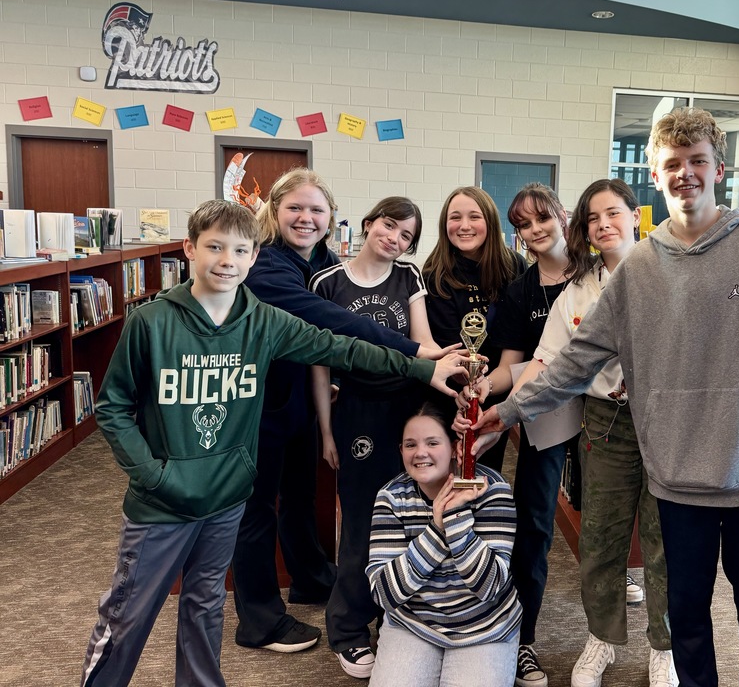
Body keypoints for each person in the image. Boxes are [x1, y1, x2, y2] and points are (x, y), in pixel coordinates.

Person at [473, 108, 739, 687]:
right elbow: (576, 361)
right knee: (686, 620)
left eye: (697, 162)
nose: (685, 174)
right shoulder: (638, 267)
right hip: (676, 482)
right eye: (672, 166)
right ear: (655, 180)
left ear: (718, 169)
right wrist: (508, 412)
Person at [80, 200, 468, 687]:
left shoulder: (264, 322)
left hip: (227, 497)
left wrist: (423, 367)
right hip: (162, 502)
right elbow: (112, 407)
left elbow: (341, 346)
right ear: (189, 249)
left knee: (204, 611)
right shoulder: (151, 322)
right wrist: (152, 475)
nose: (227, 260)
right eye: (214, 247)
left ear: (254, 257)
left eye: (240, 250)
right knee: (128, 616)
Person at [232, 168, 452, 656]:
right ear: (273, 210)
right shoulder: (267, 264)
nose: (306, 218)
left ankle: (310, 578)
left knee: (300, 497)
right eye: (295, 208)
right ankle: (259, 618)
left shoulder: (322, 261)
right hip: (259, 405)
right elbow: (332, 322)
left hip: (301, 404)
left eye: (317, 210)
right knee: (257, 508)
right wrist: (412, 351)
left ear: (332, 218)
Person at [468, 179, 675, 687]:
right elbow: (546, 361)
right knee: (599, 538)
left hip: (666, 422)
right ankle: (601, 639)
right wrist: (506, 409)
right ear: (581, 227)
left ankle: (664, 646)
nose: (603, 225)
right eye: (594, 219)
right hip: (604, 423)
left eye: (613, 214)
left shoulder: (666, 273)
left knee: (664, 538)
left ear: (635, 216)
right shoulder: (577, 289)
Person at [309, 196, 440, 678]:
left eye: (406, 235)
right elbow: (318, 360)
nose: (395, 239)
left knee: (409, 516)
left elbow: (421, 342)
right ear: (367, 224)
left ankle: (397, 620)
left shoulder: (409, 276)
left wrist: (448, 362)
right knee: (361, 523)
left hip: (405, 410)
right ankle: (347, 628)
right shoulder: (328, 281)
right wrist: (326, 428)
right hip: (356, 410)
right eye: (389, 226)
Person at [454, 183, 572, 687]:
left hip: (610, 415)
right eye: (523, 224)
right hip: (548, 412)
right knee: (534, 524)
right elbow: (512, 365)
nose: (534, 230)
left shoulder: (598, 272)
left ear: (563, 215)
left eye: (541, 217)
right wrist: (486, 390)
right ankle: (521, 640)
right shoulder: (523, 290)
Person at [365, 403, 522, 687]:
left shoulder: (492, 489)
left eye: (432, 442)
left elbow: (488, 586)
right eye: (410, 444)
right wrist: (437, 528)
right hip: (414, 624)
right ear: (400, 451)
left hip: (484, 627)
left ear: (453, 447)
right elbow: (384, 593)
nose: (420, 453)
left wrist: (455, 516)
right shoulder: (390, 497)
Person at [422, 186, 526, 470]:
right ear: (445, 225)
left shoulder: (514, 266)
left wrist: (487, 389)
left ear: (489, 222)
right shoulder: (434, 273)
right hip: (451, 393)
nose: (464, 226)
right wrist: (465, 391)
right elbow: (444, 344)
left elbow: (517, 337)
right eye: (455, 217)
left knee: (485, 469)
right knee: (445, 469)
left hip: (497, 389)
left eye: (474, 217)